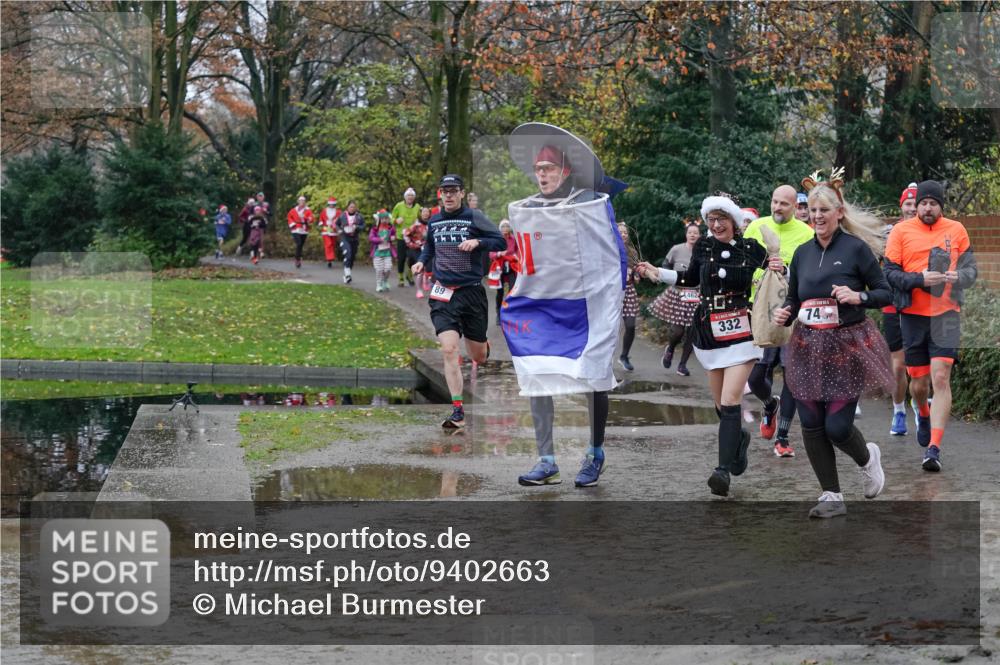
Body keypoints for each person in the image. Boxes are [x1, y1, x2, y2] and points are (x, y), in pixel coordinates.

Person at [504, 122, 627, 488]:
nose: (542, 175)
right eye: (538, 170)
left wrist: (609, 297)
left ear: (565, 171)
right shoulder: (528, 210)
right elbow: (527, 258)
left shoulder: (590, 204)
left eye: (549, 169)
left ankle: (595, 453)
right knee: (535, 374)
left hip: (587, 306)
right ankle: (546, 460)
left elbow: (610, 254)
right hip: (544, 305)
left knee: (594, 374)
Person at [638, 194, 784, 497]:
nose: (716, 225)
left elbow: (777, 276)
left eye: (722, 219)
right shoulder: (703, 247)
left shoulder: (751, 249)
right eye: (711, 220)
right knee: (720, 406)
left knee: (731, 401)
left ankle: (722, 472)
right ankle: (739, 441)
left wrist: (780, 267)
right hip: (709, 333)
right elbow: (689, 278)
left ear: (734, 222)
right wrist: (656, 272)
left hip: (743, 333)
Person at [772, 171, 892, 517]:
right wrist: (786, 312)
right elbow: (794, 297)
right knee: (810, 423)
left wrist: (858, 295)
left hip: (847, 346)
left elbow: (885, 292)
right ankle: (831, 495)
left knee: (836, 427)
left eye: (824, 209)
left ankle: (868, 459)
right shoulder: (802, 254)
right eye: (812, 210)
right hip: (807, 347)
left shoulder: (856, 249)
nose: (817, 216)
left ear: (839, 212)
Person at [884, 180, 977, 472]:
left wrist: (957, 277)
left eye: (932, 203)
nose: (927, 207)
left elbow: (972, 270)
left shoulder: (956, 230)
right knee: (919, 382)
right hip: (912, 315)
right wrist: (920, 279)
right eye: (923, 203)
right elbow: (890, 273)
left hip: (946, 314)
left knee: (941, 378)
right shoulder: (901, 231)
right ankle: (922, 412)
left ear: (940, 206)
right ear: (917, 205)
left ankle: (933, 448)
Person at [411, 174, 505, 429]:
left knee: (478, 356)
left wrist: (478, 242)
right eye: (445, 191)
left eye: (454, 191)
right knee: (449, 349)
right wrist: (421, 261)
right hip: (443, 293)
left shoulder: (474, 217)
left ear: (462, 193)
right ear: (439, 194)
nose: (449, 195)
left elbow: (501, 240)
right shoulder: (435, 221)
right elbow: (429, 248)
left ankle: (483, 345)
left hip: (471, 292)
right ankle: (457, 411)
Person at [743, 184, 816, 458]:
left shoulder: (806, 235)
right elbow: (744, 265)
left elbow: (808, 274)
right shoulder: (755, 228)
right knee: (757, 375)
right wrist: (758, 272)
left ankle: (782, 437)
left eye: (783, 204)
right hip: (758, 311)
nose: (777, 208)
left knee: (791, 376)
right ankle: (768, 404)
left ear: (795, 208)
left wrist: (785, 269)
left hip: (791, 313)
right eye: (774, 202)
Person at [880, 182, 919, 436]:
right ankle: (898, 411)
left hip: (921, 304)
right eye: (908, 204)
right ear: (901, 206)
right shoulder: (889, 234)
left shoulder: (933, 233)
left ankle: (918, 403)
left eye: (916, 204)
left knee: (919, 363)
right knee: (898, 363)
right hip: (893, 303)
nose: (912, 208)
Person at [649, 223, 701, 376]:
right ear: (686, 234)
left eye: (696, 233)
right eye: (690, 232)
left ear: (699, 235)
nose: (693, 235)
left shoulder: (702, 251)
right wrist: (672, 276)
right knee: (677, 331)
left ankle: (682, 365)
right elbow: (665, 264)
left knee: (693, 331)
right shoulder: (677, 249)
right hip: (679, 292)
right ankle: (670, 348)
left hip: (697, 294)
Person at [618, 222, 641, 371]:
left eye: (625, 232)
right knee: (609, 328)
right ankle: (602, 358)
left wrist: (637, 275)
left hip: (629, 290)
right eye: (620, 232)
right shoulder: (608, 249)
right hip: (612, 292)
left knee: (631, 326)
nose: (624, 234)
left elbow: (637, 269)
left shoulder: (632, 252)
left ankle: (624, 356)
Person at [488, 219, 519, 322]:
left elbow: (518, 251)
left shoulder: (513, 239)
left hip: (511, 267)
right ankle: (498, 314)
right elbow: (491, 254)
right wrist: (499, 254)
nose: (505, 229)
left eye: (507, 226)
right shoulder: (497, 239)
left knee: (512, 290)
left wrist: (516, 256)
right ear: (500, 229)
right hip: (499, 268)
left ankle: (511, 312)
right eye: (503, 227)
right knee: (500, 292)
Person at [392, 188, 421, 286]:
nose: (410, 197)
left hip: (413, 237)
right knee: (402, 258)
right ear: (405, 197)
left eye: (412, 196)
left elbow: (421, 218)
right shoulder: (399, 206)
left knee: (412, 258)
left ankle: (409, 274)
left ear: (414, 197)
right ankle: (400, 278)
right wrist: (396, 221)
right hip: (401, 236)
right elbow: (391, 218)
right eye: (408, 195)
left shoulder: (417, 207)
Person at [404, 208, 430, 298]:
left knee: (430, 267)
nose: (426, 214)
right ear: (420, 214)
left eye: (427, 212)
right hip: (417, 250)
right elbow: (405, 234)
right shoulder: (416, 225)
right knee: (420, 269)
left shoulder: (432, 224)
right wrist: (411, 244)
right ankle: (419, 290)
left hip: (429, 249)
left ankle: (426, 280)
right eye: (424, 212)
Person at [337, 200, 365, 284]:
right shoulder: (342, 215)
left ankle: (347, 275)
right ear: (347, 207)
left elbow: (363, 225)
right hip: (345, 237)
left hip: (354, 238)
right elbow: (336, 224)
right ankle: (348, 274)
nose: (352, 208)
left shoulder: (359, 216)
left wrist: (357, 227)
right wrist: (339, 230)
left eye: (354, 207)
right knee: (347, 253)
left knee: (352, 257)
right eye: (351, 207)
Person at [369, 209, 397, 292]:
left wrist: (393, 238)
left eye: (386, 218)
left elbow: (393, 235)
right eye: (383, 218)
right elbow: (371, 238)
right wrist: (379, 239)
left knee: (388, 268)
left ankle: (385, 281)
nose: (385, 220)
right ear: (379, 219)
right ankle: (379, 284)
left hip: (387, 252)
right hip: (377, 253)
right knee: (379, 270)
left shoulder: (390, 228)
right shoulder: (375, 229)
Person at [286, 196, 312, 269]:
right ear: (298, 202)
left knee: (301, 245)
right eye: (300, 201)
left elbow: (311, 218)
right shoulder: (294, 210)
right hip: (296, 229)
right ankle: (297, 259)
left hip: (304, 229)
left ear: (305, 202)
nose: (302, 202)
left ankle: (298, 257)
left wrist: (306, 218)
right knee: (299, 243)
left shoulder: (308, 210)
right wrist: (292, 224)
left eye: (303, 201)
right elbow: (289, 217)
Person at [318, 197, 341, 268]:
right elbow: (321, 218)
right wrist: (321, 223)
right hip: (326, 230)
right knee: (328, 244)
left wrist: (339, 226)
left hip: (334, 230)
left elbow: (340, 220)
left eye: (333, 204)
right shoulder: (324, 211)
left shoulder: (338, 212)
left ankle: (330, 259)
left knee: (333, 244)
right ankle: (329, 258)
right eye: (330, 204)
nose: (331, 205)